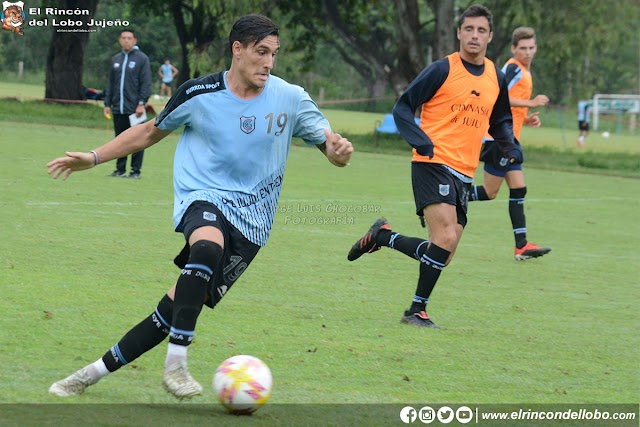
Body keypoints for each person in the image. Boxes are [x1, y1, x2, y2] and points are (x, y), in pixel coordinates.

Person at [47, 14, 353, 399]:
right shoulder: (199, 92)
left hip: (253, 225)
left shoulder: (291, 98)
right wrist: (93, 157)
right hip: (202, 197)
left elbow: (331, 149)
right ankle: (176, 364)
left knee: (169, 313)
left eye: (273, 54)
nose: (268, 63)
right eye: (261, 52)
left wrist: (340, 153)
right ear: (236, 50)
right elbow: (147, 131)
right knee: (207, 245)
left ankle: (89, 374)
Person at [347, 4, 522, 328]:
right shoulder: (441, 69)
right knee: (444, 240)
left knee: (444, 252)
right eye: (468, 29)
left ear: (490, 36)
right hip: (432, 163)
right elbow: (403, 108)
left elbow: (501, 121)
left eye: (481, 30)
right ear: (458, 32)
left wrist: (510, 147)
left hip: (464, 173)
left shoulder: (496, 77)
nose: (474, 36)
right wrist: (420, 141)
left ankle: (383, 237)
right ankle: (416, 311)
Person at [469, 27, 551, 261]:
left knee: (518, 188)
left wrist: (525, 117)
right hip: (499, 140)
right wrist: (531, 102)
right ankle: (443, 197)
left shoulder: (525, 71)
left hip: (510, 139)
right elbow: (496, 94)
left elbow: (508, 107)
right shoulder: (513, 67)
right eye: (522, 48)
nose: (527, 52)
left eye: (531, 47)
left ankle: (522, 246)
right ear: (514, 49)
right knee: (488, 192)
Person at [104, 29, 152, 179]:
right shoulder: (116, 59)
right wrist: (107, 103)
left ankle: (135, 171)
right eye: (123, 38)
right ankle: (120, 169)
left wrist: (141, 103)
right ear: (120, 40)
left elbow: (146, 83)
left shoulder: (142, 59)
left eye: (129, 38)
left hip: (135, 109)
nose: (126, 40)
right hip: (118, 107)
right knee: (119, 140)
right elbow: (111, 84)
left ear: (135, 41)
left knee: (137, 140)